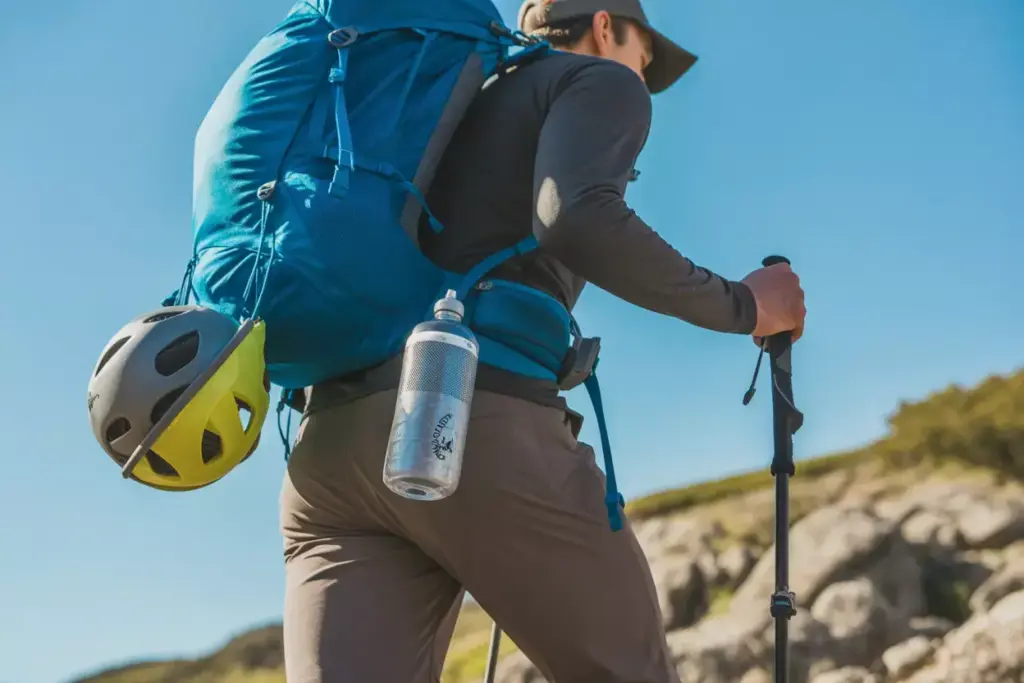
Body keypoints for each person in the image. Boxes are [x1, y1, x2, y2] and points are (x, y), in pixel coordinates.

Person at [279, 0, 807, 681]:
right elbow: (575, 216)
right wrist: (744, 305)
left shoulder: (444, 102)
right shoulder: (598, 82)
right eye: (646, 58)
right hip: (464, 421)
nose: (644, 80)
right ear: (607, 27)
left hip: (329, 451)